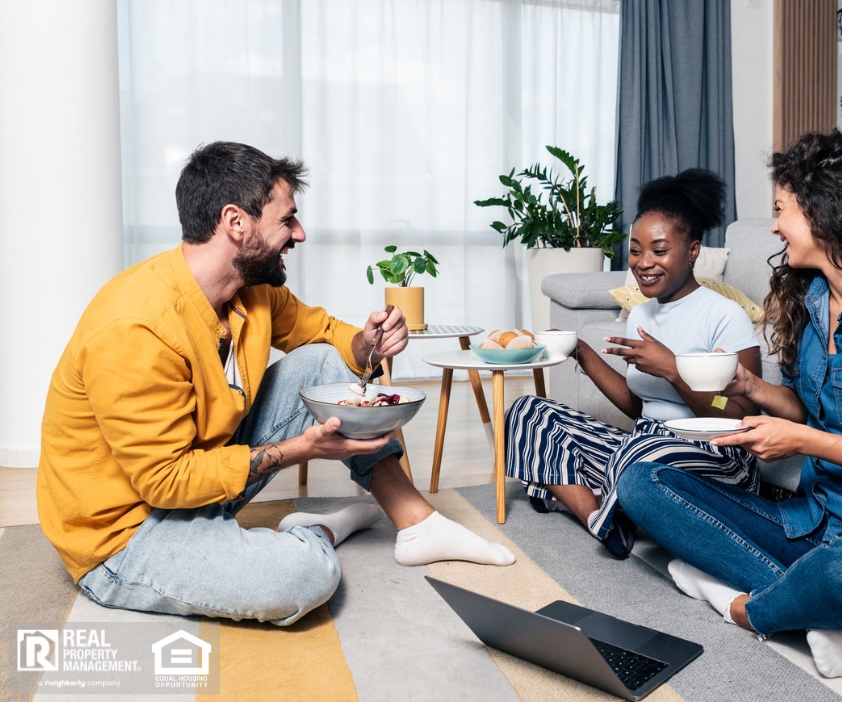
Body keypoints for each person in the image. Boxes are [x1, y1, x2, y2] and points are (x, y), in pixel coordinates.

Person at [37, 141, 514, 627]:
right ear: (236, 222)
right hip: (126, 533)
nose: (299, 233)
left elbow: (324, 334)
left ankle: (418, 524)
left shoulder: (251, 291)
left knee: (323, 360)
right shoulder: (135, 328)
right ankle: (318, 534)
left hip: (200, 477)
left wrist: (367, 343)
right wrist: (299, 450)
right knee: (299, 579)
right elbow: (165, 481)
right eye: (288, 219)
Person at [617, 130, 842, 678]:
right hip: (810, 528)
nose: (775, 226)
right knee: (643, 481)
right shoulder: (813, 302)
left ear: (825, 213)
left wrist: (804, 442)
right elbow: (812, 411)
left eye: (782, 209)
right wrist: (752, 389)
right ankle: (828, 610)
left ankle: (745, 607)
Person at [504, 168, 762, 558]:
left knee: (638, 455)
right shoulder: (641, 314)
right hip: (645, 442)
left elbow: (743, 416)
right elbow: (639, 406)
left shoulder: (724, 315)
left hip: (716, 456)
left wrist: (674, 370)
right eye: (636, 250)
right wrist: (581, 352)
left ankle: (587, 494)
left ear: (692, 251)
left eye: (659, 250)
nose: (644, 263)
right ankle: (602, 519)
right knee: (528, 413)